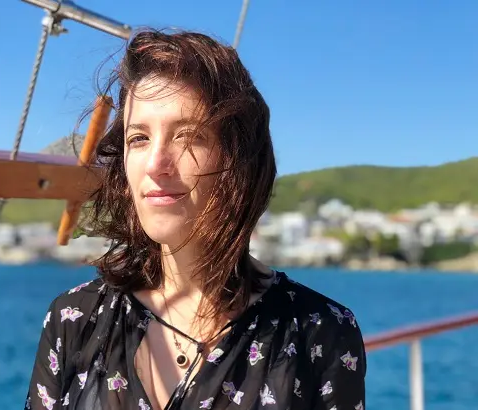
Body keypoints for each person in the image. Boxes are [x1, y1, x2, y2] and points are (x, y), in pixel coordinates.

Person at [24, 29, 366, 410]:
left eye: (187, 136)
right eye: (139, 139)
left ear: (238, 160)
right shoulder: (74, 321)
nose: (155, 164)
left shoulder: (320, 333)